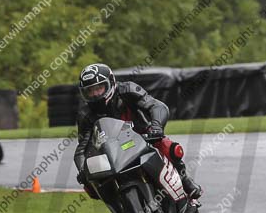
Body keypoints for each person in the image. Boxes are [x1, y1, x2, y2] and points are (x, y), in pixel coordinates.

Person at [73, 63, 203, 202]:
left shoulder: (128, 89)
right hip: (111, 152)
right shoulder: (85, 114)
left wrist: (156, 127)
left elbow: (157, 106)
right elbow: (82, 150)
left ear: (111, 83)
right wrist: (83, 169)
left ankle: (185, 180)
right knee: (92, 185)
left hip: (142, 136)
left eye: (99, 88)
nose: (95, 94)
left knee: (168, 147)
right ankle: (121, 209)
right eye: (90, 91)